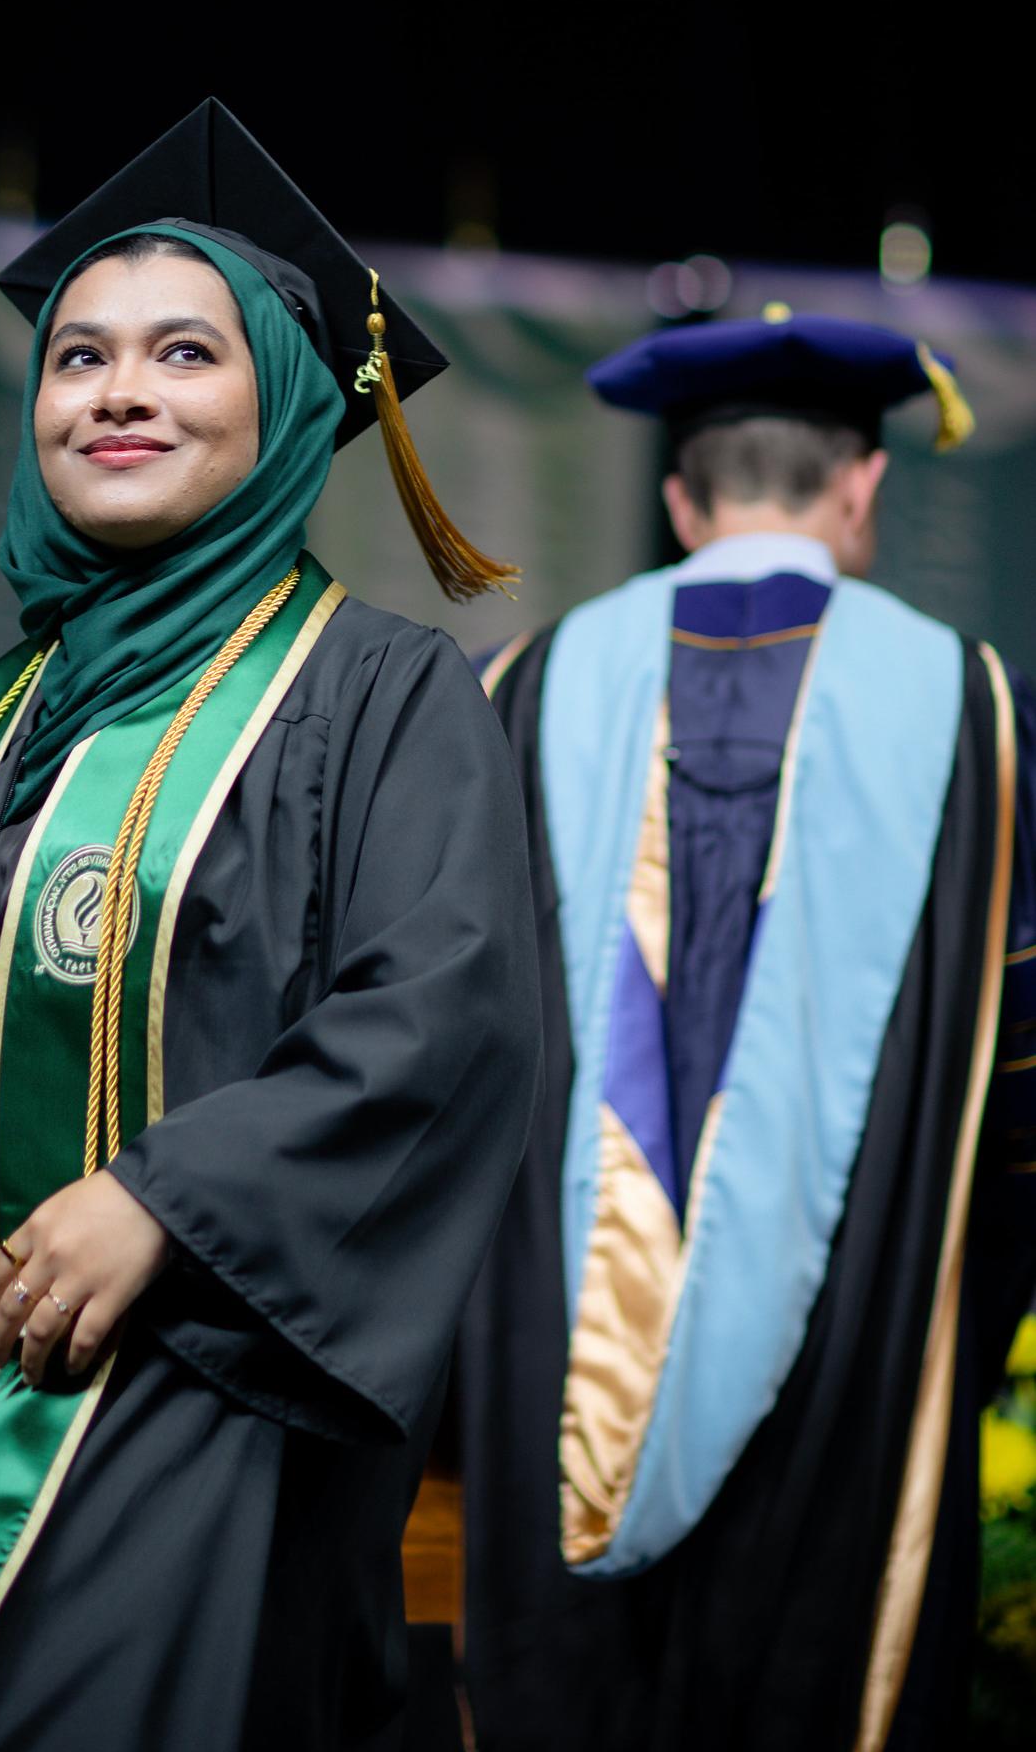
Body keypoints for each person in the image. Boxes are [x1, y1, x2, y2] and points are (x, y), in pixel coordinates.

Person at [0, 99, 542, 1752]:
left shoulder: (376, 694)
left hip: (223, 1398)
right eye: (79, 359)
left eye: (183, 355)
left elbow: (440, 1020)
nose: (120, 393)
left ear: (288, 401)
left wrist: (164, 1204)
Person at [457, 311, 1036, 1752]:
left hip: (557, 1369)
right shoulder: (977, 712)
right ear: (860, 487)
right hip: (859, 1371)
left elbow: (452, 1059)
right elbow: (1019, 1088)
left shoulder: (520, 689)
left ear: (678, 500)